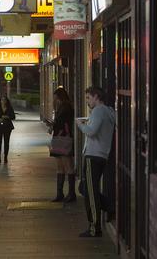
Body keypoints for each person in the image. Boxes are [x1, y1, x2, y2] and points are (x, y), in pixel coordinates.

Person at [75, 86, 115, 238]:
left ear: (96, 97)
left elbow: (91, 132)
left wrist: (80, 124)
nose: (87, 101)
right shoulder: (109, 112)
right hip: (102, 155)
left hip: (93, 155)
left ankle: (94, 227)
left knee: (90, 192)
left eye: (88, 98)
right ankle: (109, 205)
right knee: (85, 188)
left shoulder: (99, 111)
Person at [50, 87, 76, 203]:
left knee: (67, 165)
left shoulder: (66, 108)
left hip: (63, 138)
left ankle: (71, 193)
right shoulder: (62, 108)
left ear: (59, 97)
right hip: (60, 138)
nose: (54, 100)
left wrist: (54, 125)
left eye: (55, 98)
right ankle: (60, 193)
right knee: (60, 166)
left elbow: (62, 123)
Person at [0, 95, 15, 163]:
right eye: (2, 100)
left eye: (4, 100)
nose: (3, 101)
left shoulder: (9, 108)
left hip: (7, 127)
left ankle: (5, 157)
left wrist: (7, 116)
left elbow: (13, 117)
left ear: (7, 101)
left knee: (6, 142)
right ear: (0, 101)